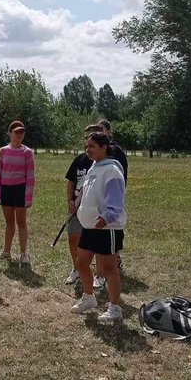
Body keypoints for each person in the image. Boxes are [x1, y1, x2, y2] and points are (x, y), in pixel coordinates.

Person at [72, 130, 127, 324]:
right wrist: (77, 205)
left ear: (104, 147)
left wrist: (106, 217)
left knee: (109, 268)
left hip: (106, 228)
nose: (88, 150)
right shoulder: (94, 167)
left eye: (92, 146)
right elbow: (87, 193)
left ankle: (115, 308)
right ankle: (89, 297)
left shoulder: (112, 170)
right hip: (89, 226)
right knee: (81, 263)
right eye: (86, 146)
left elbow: (116, 200)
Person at [64, 124, 103, 285]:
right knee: (73, 237)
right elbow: (71, 182)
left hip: (95, 208)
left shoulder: (103, 163)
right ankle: (77, 269)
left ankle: (100, 275)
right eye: (86, 139)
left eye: (91, 140)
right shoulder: (79, 160)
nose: (88, 144)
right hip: (77, 207)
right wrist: (70, 201)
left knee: (97, 242)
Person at [0, 121, 36, 266]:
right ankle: (6, 252)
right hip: (6, 190)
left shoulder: (27, 152)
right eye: (16, 132)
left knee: (21, 223)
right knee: (9, 223)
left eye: (21, 132)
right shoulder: (3, 151)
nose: (19, 135)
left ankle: (23, 254)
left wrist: (28, 197)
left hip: (20, 190)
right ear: (9, 134)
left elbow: (31, 176)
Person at [94, 119, 128, 288]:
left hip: (112, 197)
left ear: (109, 132)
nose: (99, 132)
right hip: (97, 199)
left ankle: (114, 262)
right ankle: (101, 271)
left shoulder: (116, 151)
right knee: (99, 236)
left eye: (101, 129)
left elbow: (122, 174)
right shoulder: (94, 149)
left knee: (111, 233)